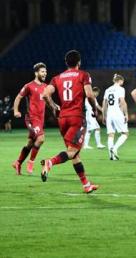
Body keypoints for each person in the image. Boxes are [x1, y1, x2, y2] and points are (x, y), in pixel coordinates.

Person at [41, 50, 98, 193]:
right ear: (79, 62)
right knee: (72, 152)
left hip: (63, 119)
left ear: (66, 63)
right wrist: (95, 110)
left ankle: (86, 185)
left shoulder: (57, 78)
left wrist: (54, 107)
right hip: (76, 118)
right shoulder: (83, 75)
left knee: (74, 154)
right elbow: (90, 95)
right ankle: (50, 162)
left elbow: (45, 94)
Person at [11, 63, 48, 175]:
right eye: (42, 71)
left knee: (31, 143)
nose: (45, 73)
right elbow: (18, 97)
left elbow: (48, 101)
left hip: (40, 120)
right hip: (32, 118)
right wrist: (16, 111)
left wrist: (56, 107)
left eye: (45, 72)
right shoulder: (29, 86)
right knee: (41, 139)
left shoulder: (46, 86)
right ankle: (31, 162)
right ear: (36, 73)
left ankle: (18, 162)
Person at [103, 74, 129, 160]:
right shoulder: (121, 89)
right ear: (120, 81)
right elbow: (122, 102)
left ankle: (111, 156)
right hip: (117, 112)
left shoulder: (108, 90)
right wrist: (126, 114)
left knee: (111, 134)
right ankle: (114, 148)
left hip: (109, 114)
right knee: (125, 133)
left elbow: (104, 103)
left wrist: (104, 115)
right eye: (122, 82)